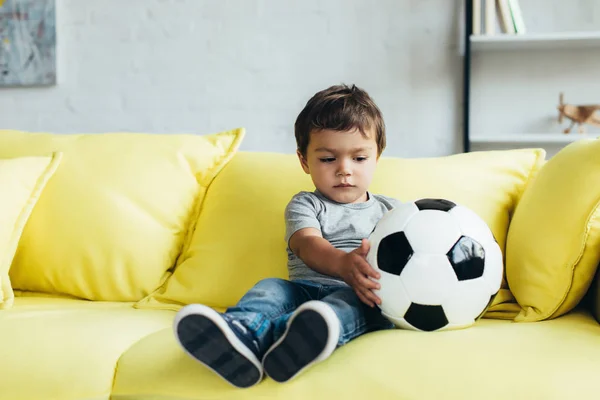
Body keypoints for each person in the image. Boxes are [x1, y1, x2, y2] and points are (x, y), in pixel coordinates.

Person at [173, 84, 400, 389]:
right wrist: (343, 263)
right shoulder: (305, 204)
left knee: (353, 305)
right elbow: (307, 244)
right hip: (303, 291)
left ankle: (304, 337)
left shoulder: (393, 212)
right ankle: (240, 334)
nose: (344, 170)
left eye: (359, 159)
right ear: (304, 160)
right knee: (270, 288)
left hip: (358, 295)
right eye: (328, 159)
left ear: (377, 157)